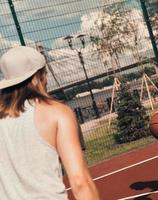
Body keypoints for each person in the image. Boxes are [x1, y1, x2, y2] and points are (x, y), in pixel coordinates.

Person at [0, 46, 100, 200]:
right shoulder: (56, 112)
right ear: (36, 77)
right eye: (44, 73)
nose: (46, 80)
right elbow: (80, 182)